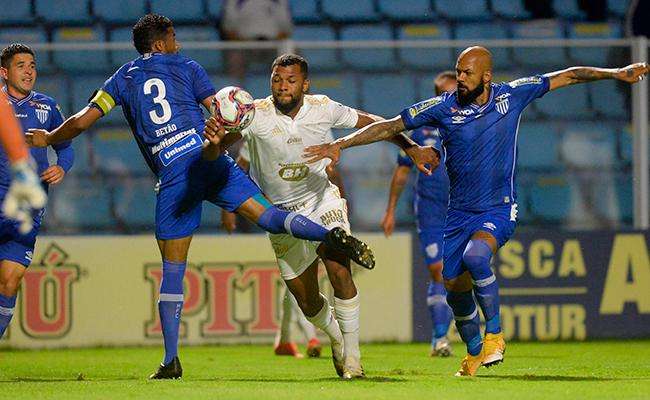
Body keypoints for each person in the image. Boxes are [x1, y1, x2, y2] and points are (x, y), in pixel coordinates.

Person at [27, 14, 375, 379]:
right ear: (160, 43)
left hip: (175, 174)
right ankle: (329, 235)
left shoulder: (121, 79)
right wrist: (219, 128)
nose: (178, 43)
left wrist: (49, 139)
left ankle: (171, 360)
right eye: (174, 37)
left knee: (173, 270)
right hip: (210, 159)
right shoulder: (186, 66)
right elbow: (222, 109)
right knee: (268, 215)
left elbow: (82, 121)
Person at [304, 46, 648, 376]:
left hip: (498, 209)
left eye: (467, 73)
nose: (461, 78)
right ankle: (472, 349)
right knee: (453, 284)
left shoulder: (511, 96)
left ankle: (495, 335)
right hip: (458, 214)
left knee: (477, 256)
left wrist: (616, 73)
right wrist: (341, 143)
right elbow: (390, 126)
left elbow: (569, 76)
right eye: (458, 72)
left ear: (487, 76)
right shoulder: (442, 107)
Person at [205, 53, 434, 378]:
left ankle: (353, 359)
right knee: (307, 300)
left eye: (290, 80)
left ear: (305, 84)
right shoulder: (253, 114)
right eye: (277, 79)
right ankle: (337, 338)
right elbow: (216, 154)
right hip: (280, 216)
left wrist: (410, 146)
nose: (282, 87)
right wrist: (212, 143)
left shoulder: (324, 107)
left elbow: (375, 123)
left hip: (321, 201)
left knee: (339, 267)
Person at [221, 141, 323, 359]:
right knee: (299, 272)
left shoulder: (313, 122)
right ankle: (311, 336)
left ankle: (284, 340)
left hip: (313, 209)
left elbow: (328, 166)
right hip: (279, 214)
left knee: (296, 277)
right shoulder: (261, 130)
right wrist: (228, 207)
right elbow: (240, 166)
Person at [0, 43, 73, 339]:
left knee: (10, 280)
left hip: (26, 210)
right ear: (4, 72)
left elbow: (66, 146)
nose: (29, 71)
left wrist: (62, 167)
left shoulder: (47, 106)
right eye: (21, 65)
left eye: (32, 65)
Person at [381, 70, 456, 357]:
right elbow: (401, 174)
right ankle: (440, 338)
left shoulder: (469, 125)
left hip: (463, 207)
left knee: (462, 271)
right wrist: (389, 210)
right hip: (431, 210)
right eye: (443, 93)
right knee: (438, 270)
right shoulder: (420, 133)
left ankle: (468, 328)